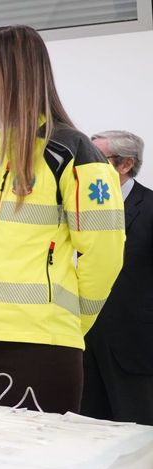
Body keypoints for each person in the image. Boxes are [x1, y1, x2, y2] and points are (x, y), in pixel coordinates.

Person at [0, 26, 125, 413]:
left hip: (41, 348)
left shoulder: (73, 153)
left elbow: (104, 256)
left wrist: (71, 322)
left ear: (12, 73)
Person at [82, 130, 153, 424]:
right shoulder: (78, 207)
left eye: (98, 160)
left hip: (133, 346)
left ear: (125, 165)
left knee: (136, 431)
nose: (88, 169)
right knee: (83, 426)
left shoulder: (148, 208)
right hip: (83, 341)